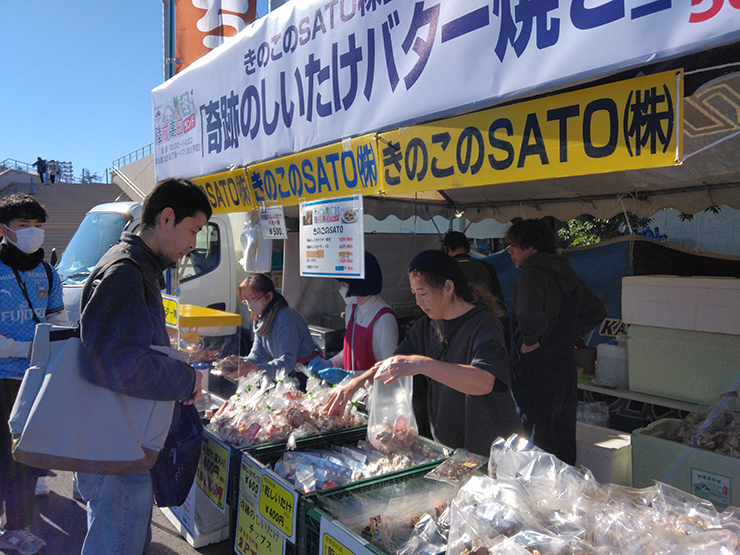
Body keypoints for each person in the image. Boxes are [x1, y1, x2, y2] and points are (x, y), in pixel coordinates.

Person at [75, 178, 209, 555]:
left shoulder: (135, 266)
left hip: (117, 439)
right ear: (166, 218)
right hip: (116, 447)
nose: (193, 243)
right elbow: (118, 366)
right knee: (116, 543)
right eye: (193, 229)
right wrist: (185, 378)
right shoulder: (125, 272)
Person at [326, 250, 523, 457]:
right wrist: (354, 385)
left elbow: (483, 382)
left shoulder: (484, 324)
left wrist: (422, 364)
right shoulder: (426, 326)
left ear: (448, 288)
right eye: (414, 294)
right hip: (449, 446)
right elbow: (393, 364)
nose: (419, 302)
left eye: (423, 293)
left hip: (491, 447)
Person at [506, 219, 606, 466]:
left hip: (536, 369)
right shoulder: (567, 273)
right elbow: (596, 310)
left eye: (514, 245)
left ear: (532, 248)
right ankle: (566, 485)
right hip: (564, 366)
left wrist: (531, 342)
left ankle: (538, 488)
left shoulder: (532, 276)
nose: (509, 251)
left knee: (536, 435)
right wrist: (570, 334)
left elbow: (528, 315)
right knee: (562, 434)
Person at [0, 194, 67, 554]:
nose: (33, 232)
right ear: (4, 229)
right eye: (24, 225)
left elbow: (57, 317)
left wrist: (60, 341)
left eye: (38, 226)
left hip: (34, 379)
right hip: (2, 379)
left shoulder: (47, 272)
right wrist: (22, 348)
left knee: (24, 459)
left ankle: (16, 527)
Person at [309, 252, 398, 384]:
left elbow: (389, 370)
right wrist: (330, 363)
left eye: (344, 285)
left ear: (359, 283)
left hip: (372, 393)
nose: (341, 290)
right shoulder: (351, 310)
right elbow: (349, 350)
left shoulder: (384, 319)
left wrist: (350, 376)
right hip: (349, 390)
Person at [223, 273, 318, 388]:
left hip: (304, 377)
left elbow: (288, 362)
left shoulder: (285, 318)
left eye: (253, 298)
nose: (249, 304)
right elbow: (257, 357)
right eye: (246, 300)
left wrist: (254, 369)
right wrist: (238, 364)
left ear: (268, 296)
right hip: (286, 376)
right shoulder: (260, 318)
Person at [442, 231, 510, 350]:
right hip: (486, 327)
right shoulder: (486, 267)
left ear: (445, 249)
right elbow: (499, 304)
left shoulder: (441, 270)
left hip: (452, 331)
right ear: (468, 248)